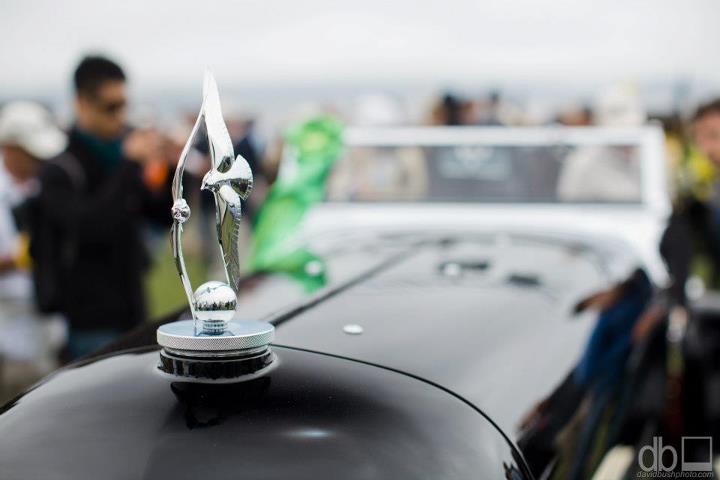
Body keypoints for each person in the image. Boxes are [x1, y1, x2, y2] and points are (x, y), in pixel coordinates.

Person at [30, 55, 171, 359]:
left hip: (133, 305)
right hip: (89, 318)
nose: (120, 116)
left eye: (124, 105)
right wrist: (130, 164)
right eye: (111, 107)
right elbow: (91, 226)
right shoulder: (59, 170)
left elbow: (162, 215)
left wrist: (170, 166)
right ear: (82, 103)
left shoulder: (120, 159)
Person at [0, 102, 68, 399]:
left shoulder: (43, 185)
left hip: (50, 325)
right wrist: (18, 259)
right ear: (10, 148)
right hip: (10, 334)